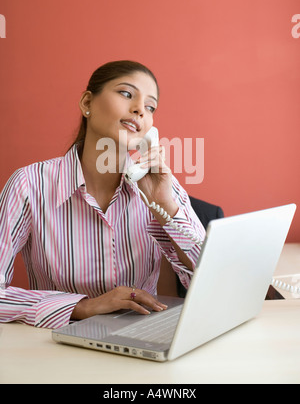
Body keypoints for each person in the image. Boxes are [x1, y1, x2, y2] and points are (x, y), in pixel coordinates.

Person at [0, 60, 205, 328]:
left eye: (150, 106)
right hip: (56, 346)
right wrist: (83, 306)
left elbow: (211, 283)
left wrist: (165, 205)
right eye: (126, 93)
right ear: (87, 103)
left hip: (139, 338)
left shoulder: (162, 188)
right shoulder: (29, 185)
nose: (139, 110)